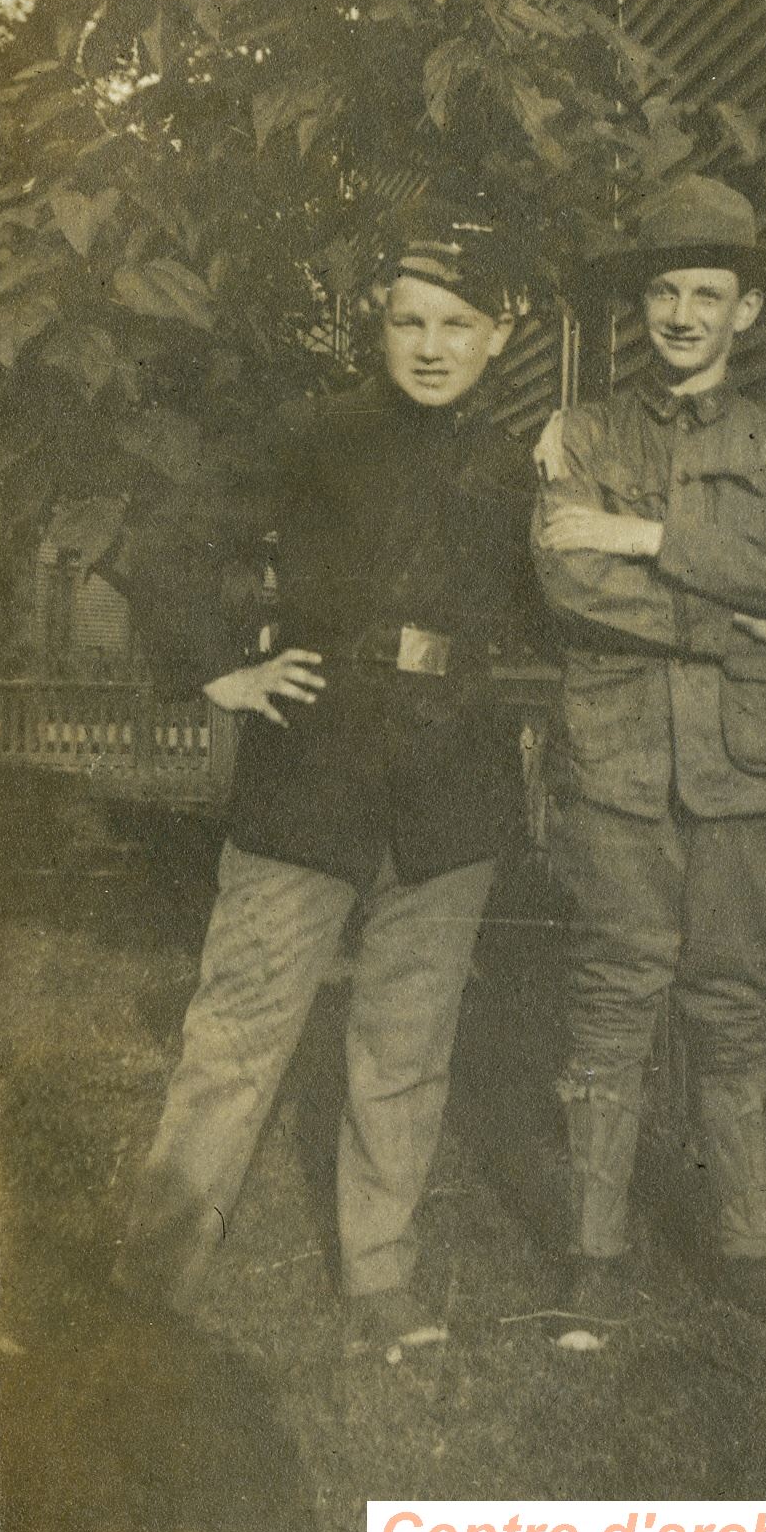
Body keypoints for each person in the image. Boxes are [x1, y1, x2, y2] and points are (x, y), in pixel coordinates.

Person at [117, 220, 538, 1360]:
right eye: (410, 321)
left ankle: (380, 1277)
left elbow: (545, 606)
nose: (433, 346)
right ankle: (150, 1285)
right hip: (314, 766)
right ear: (381, 325)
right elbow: (164, 537)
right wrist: (220, 665)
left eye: (460, 325)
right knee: (238, 1029)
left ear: (500, 339)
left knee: (405, 1041)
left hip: (451, 785)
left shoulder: (513, 467)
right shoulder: (316, 433)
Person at [531, 237, 766, 1348]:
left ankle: (747, 1253)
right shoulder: (582, 435)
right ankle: (594, 1255)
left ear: (746, 309)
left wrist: (652, 534)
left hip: (753, 769)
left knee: (736, 998)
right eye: (663, 291)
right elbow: (569, 582)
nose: (680, 314)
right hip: (619, 759)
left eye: (706, 294)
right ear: (642, 306)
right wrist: (733, 622)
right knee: (614, 992)